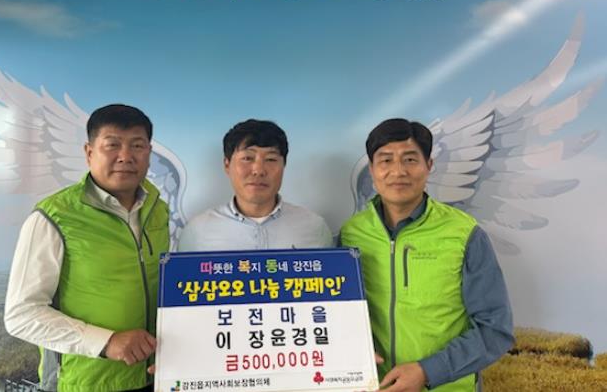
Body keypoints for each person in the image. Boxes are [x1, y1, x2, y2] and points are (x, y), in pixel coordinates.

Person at [340, 118, 513, 392]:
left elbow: (495, 329)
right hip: (375, 386)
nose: (398, 171)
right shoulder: (350, 235)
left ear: (429, 165)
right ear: (372, 170)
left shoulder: (463, 233)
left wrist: (428, 371)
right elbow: (337, 314)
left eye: (410, 159)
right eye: (386, 160)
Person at [5, 104, 169, 392]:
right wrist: (106, 342)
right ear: (89, 152)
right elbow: (21, 315)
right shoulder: (54, 216)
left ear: (149, 152)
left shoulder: (158, 211)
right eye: (112, 145)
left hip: (154, 376)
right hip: (84, 382)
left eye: (137, 145)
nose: (126, 156)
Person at [177, 119, 333, 251]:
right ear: (227, 165)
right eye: (247, 158)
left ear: (284, 165)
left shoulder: (314, 227)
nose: (258, 170)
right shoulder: (197, 231)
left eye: (271, 159)